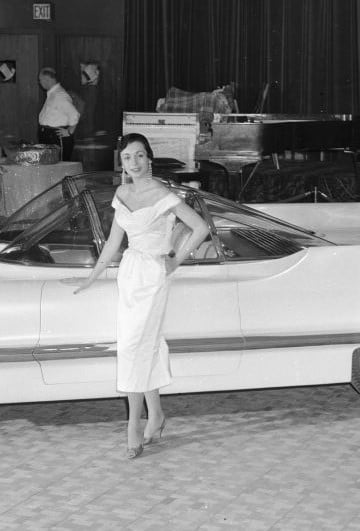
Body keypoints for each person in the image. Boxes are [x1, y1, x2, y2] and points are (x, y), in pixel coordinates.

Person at [67, 133, 209, 459]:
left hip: (153, 275)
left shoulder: (160, 192)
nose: (134, 163)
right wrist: (91, 277)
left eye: (140, 155)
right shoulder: (123, 192)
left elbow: (199, 227)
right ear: (122, 163)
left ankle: (133, 423)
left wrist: (174, 259)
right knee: (146, 345)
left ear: (149, 158)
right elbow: (114, 242)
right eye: (128, 157)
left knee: (133, 347)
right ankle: (156, 415)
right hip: (130, 274)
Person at [37, 67, 80, 161]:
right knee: (50, 168)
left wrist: (69, 132)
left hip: (56, 137)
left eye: (40, 80)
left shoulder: (60, 95)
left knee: (59, 168)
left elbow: (74, 115)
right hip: (48, 136)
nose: (40, 83)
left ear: (47, 79)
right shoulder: (52, 93)